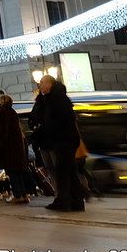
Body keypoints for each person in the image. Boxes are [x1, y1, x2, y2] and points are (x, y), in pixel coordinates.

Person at [38, 75, 84, 212]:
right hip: (64, 139)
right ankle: (76, 201)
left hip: (64, 140)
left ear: (49, 84)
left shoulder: (57, 98)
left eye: (41, 82)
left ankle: (64, 201)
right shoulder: (53, 98)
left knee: (63, 171)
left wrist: (50, 131)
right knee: (69, 171)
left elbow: (61, 120)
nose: (39, 85)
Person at [0, 94, 29, 204]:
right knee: (18, 171)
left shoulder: (3, 113)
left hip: (8, 147)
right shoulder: (13, 112)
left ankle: (17, 195)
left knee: (12, 171)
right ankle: (23, 194)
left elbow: (2, 131)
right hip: (17, 147)